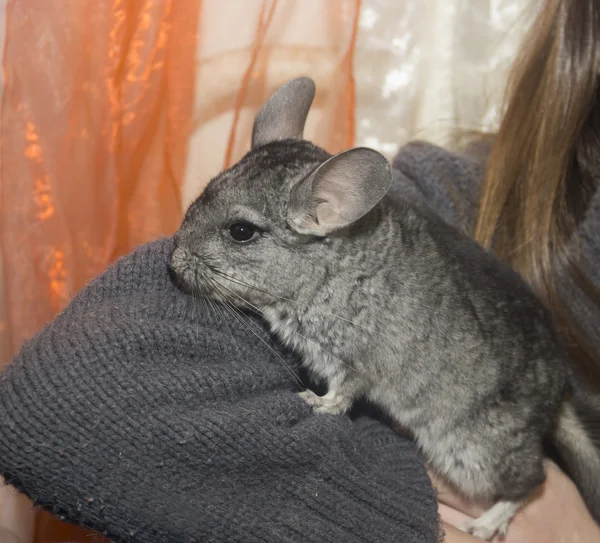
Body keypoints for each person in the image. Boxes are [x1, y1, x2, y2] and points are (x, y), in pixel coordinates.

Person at [0, 1, 599, 542]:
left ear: (328, 211)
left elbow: (369, 349)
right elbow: (64, 397)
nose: (180, 254)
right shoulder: (462, 195)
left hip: (490, 413)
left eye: (240, 234)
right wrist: (400, 503)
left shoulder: (365, 260)